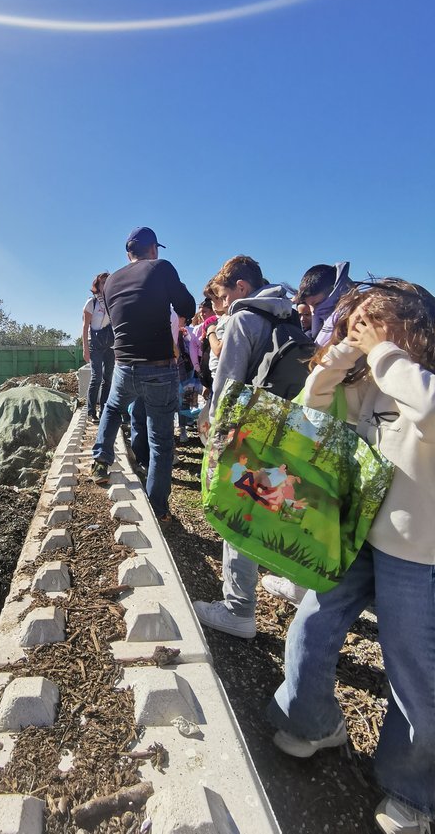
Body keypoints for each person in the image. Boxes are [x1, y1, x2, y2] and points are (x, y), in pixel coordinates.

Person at [266, 279, 435, 834]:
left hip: (420, 554)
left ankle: (414, 791)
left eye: (374, 322)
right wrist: (340, 355)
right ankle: (308, 720)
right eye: (357, 323)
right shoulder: (375, 384)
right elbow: (313, 413)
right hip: (362, 537)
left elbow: (431, 411)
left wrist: (384, 353)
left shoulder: (415, 379)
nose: (364, 333)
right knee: (313, 622)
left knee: (414, 670)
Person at [192, 255, 295, 638]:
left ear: (241, 288)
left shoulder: (242, 319)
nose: (222, 302)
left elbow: (227, 385)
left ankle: (239, 610)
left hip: (249, 431)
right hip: (285, 426)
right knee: (275, 507)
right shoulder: (289, 316)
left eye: (222, 294)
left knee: (240, 514)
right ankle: (296, 584)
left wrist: (214, 432)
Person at [262, 262, 352, 606]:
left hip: (332, 417)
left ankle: (306, 586)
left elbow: (323, 370)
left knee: (315, 498)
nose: (312, 312)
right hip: (339, 414)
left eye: (315, 304)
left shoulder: (344, 313)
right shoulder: (334, 309)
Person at [90, 227, 195, 521]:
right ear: (153, 250)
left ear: (128, 253)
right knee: (160, 439)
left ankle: (100, 460)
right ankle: (158, 508)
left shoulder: (110, 283)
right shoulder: (161, 268)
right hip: (160, 366)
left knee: (112, 408)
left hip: (124, 364)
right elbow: (187, 305)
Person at [82, 272, 115, 422]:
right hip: (95, 345)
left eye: (108, 282)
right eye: (102, 282)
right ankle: (91, 412)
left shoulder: (111, 303)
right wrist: (85, 349)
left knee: (108, 379)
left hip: (109, 345)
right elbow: (84, 327)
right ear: (97, 284)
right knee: (97, 377)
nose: (105, 285)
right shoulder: (91, 303)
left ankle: (104, 411)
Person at [297, 261, 353, 346]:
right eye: (311, 306)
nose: (315, 312)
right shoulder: (326, 319)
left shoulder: (354, 317)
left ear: (333, 292)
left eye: (317, 303)